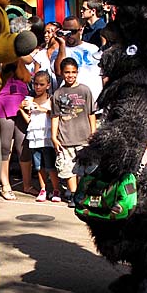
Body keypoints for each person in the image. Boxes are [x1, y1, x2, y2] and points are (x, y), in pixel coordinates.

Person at [51, 57, 96, 205]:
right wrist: (54, 137)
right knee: (67, 168)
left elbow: (91, 113)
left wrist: (93, 133)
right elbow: (55, 117)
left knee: (84, 168)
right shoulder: (58, 93)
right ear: (62, 73)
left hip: (84, 137)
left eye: (73, 72)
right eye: (67, 72)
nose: (70, 75)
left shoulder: (85, 90)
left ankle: (82, 194)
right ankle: (74, 194)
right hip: (66, 137)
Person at [0, 57, 36, 199]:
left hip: (22, 105)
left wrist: (17, 52)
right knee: (5, 147)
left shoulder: (21, 65)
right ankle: (5, 185)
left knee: (23, 145)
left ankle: (27, 185)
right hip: (3, 104)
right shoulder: (0, 65)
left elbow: (29, 59)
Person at [19, 70, 60, 202]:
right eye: (35, 84)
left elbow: (55, 115)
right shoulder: (30, 99)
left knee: (50, 166)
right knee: (39, 166)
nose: (37, 87)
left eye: (41, 84)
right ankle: (43, 189)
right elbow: (30, 121)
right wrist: (21, 109)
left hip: (47, 137)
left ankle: (56, 189)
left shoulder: (51, 99)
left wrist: (42, 109)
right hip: (34, 137)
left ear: (48, 85)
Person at [54, 15, 103, 101]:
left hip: (95, 100)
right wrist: (62, 44)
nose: (69, 35)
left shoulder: (93, 48)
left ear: (80, 30)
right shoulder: (58, 52)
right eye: (66, 31)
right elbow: (58, 72)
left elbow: (103, 72)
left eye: (72, 31)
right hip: (72, 102)